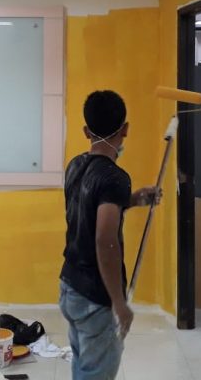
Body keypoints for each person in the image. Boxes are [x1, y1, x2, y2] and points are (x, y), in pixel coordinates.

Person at [59, 90, 162, 380]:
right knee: (95, 373)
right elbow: (105, 240)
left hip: (69, 285)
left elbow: (89, 207)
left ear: (86, 131)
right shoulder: (114, 177)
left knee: (83, 364)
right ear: (125, 129)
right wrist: (119, 301)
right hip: (94, 297)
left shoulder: (75, 165)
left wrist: (131, 200)